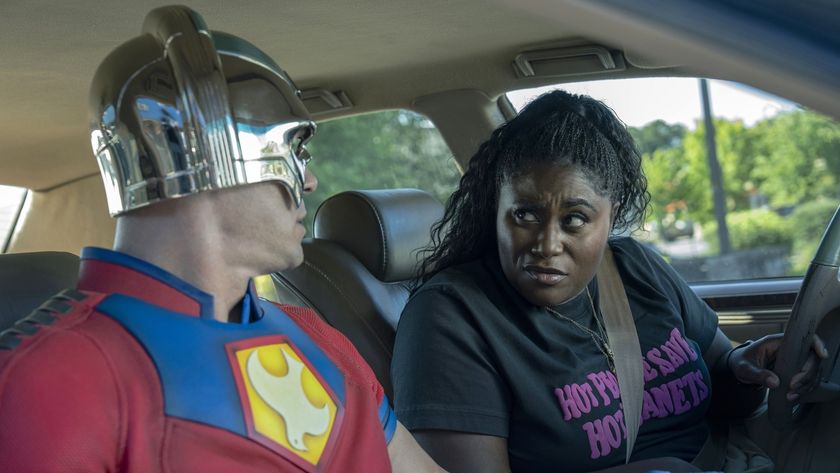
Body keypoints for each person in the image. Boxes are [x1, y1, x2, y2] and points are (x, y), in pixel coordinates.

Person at [0, 6, 442, 472]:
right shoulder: (48, 379)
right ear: (212, 159)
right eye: (292, 149)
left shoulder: (315, 334)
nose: (309, 181)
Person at [391, 90, 826, 473]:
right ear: (496, 209)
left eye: (574, 219)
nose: (547, 244)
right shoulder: (451, 317)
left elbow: (722, 377)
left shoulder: (635, 267)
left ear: (610, 216)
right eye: (525, 214)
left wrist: (749, 367)